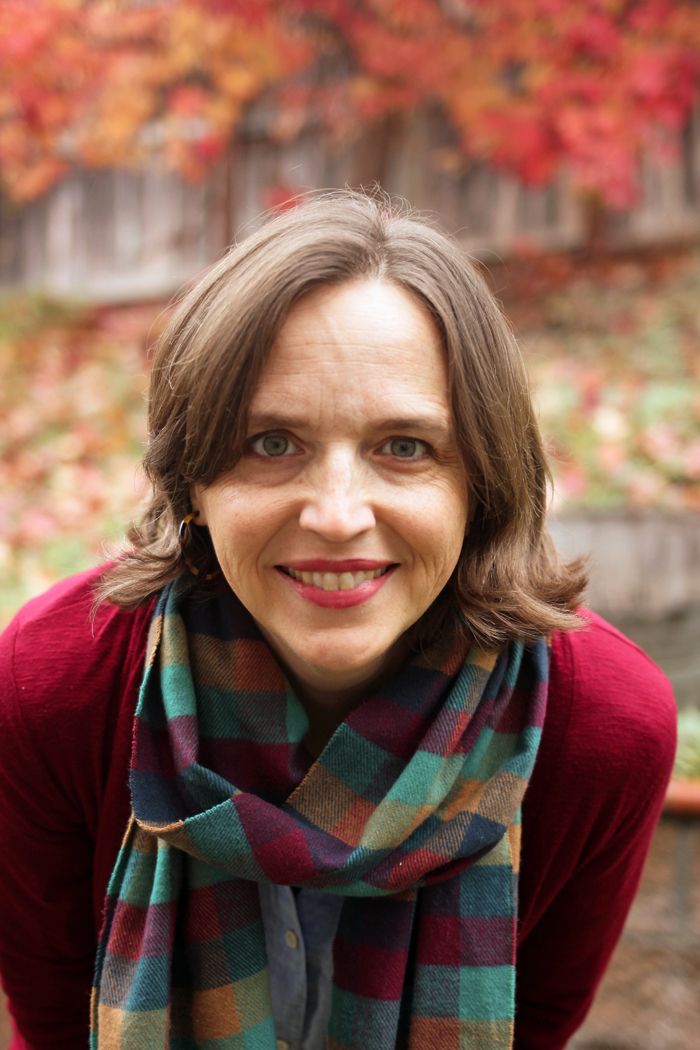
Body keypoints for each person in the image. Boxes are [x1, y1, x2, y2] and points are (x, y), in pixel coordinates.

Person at [0, 191, 676, 1050]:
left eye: (406, 446)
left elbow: (530, 1028)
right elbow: (58, 1023)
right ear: (192, 482)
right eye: (271, 443)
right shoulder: (54, 689)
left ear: (483, 483)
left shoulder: (600, 731)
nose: (336, 513)